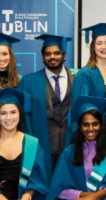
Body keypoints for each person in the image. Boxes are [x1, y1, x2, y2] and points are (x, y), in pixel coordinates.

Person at [18, 34, 74, 172]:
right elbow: (23, 116)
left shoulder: (77, 79)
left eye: (56, 53)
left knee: (68, 186)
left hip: (70, 142)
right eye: (48, 54)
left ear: (64, 56)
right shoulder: (29, 81)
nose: (52, 57)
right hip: (43, 142)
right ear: (43, 57)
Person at [67, 23, 106, 144]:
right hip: (94, 135)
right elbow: (80, 110)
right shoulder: (84, 74)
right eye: (99, 43)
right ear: (93, 46)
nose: (104, 47)